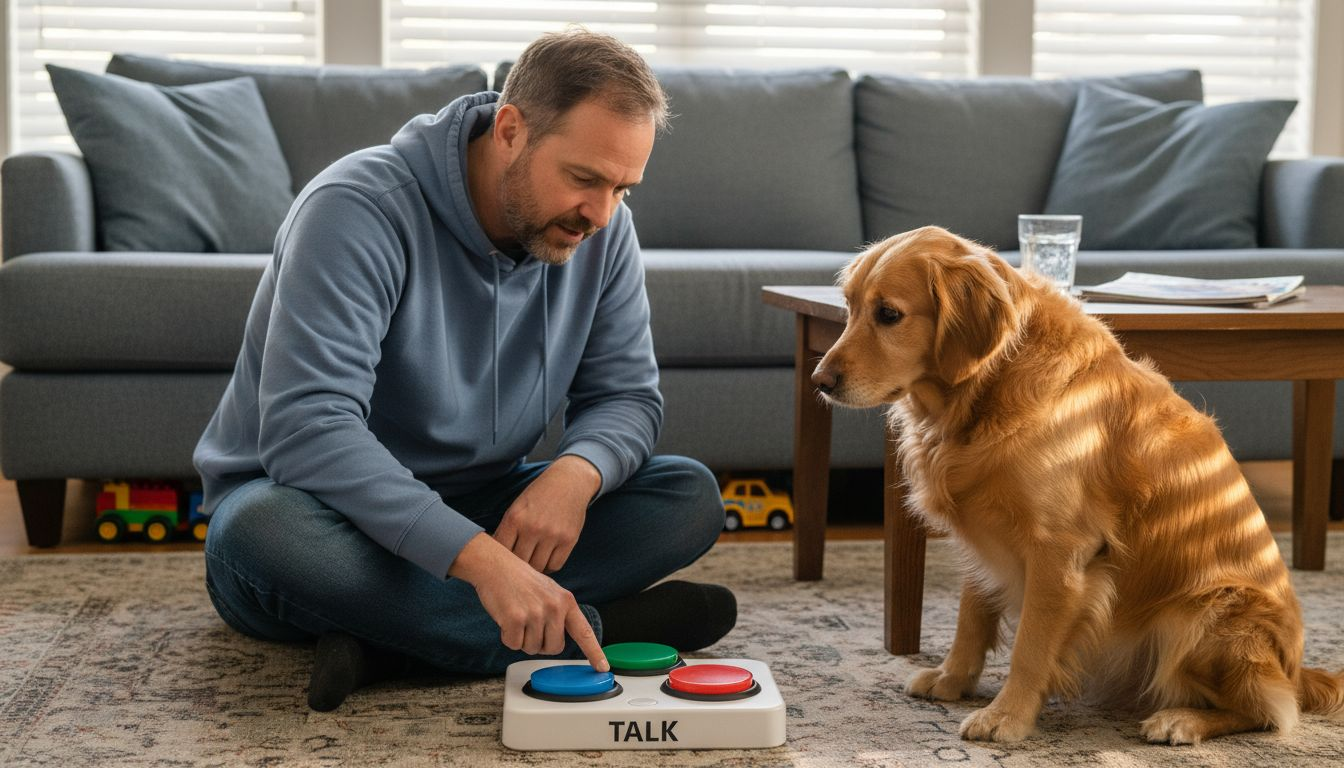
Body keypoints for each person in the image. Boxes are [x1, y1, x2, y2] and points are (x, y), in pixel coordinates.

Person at [193, 28, 736, 712]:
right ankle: (604, 627)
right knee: (257, 530)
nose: (600, 214)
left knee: (687, 495)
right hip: (325, 513)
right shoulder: (356, 209)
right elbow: (308, 429)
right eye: (584, 179)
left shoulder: (601, 230)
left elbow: (626, 396)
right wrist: (481, 562)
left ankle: (390, 642)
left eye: (622, 189)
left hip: (485, 502)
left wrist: (575, 475)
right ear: (510, 131)